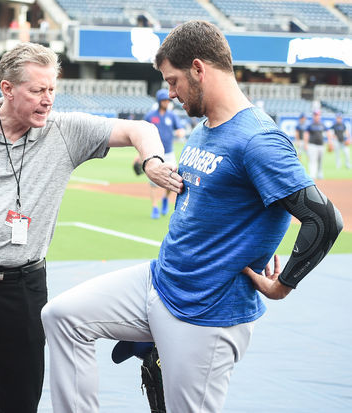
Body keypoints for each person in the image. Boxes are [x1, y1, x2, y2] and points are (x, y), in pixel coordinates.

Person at [41, 21, 343, 413]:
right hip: (161, 281)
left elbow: (323, 219)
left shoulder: (258, 139)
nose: (171, 93)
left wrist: (284, 284)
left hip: (206, 311)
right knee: (62, 317)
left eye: (173, 81)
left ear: (199, 69)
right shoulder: (205, 127)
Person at [0, 42, 181, 413]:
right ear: (7, 89)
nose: (48, 100)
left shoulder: (64, 131)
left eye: (52, 89)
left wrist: (153, 160)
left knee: (21, 403)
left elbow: (138, 128)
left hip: (22, 291)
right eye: (37, 90)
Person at [142, 88, 185, 219]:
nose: (167, 102)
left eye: (168, 100)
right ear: (160, 101)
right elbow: (142, 132)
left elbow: (180, 129)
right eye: (164, 100)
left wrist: (180, 132)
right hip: (153, 153)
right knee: (153, 182)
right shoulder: (150, 115)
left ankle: (165, 199)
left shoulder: (172, 116)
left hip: (169, 152)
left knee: (171, 180)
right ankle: (155, 207)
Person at [305, 109, 327, 179]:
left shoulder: (322, 124)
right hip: (312, 145)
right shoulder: (310, 125)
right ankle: (312, 175)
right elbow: (306, 134)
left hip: (321, 145)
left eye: (318, 115)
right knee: (312, 160)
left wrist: (330, 142)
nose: (316, 116)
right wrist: (306, 144)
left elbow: (328, 131)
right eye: (315, 115)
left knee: (320, 161)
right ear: (313, 116)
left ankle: (320, 175)